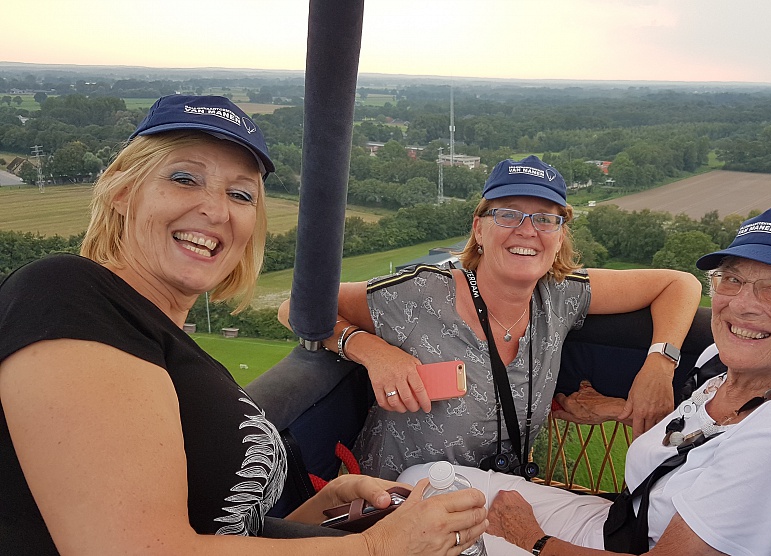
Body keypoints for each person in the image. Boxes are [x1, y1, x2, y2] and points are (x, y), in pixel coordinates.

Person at [0, 94, 486, 555]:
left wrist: (324, 510)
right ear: (122, 191)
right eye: (185, 178)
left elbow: (223, 530)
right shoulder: (66, 294)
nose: (216, 210)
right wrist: (377, 547)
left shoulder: (173, 349)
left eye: (240, 194)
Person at [398, 207, 771, 555]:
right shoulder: (725, 365)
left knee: (426, 538)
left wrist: (532, 540)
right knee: (419, 486)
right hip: (625, 523)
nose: (742, 305)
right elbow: (702, 439)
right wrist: (617, 407)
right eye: (733, 281)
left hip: (630, 545)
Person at [278, 155, 702, 480]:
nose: (527, 230)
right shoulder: (421, 293)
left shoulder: (561, 295)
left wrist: (659, 364)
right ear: (479, 229)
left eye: (545, 219)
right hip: (393, 503)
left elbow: (679, 284)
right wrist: (371, 350)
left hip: (494, 501)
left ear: (559, 238)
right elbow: (296, 306)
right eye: (508, 214)